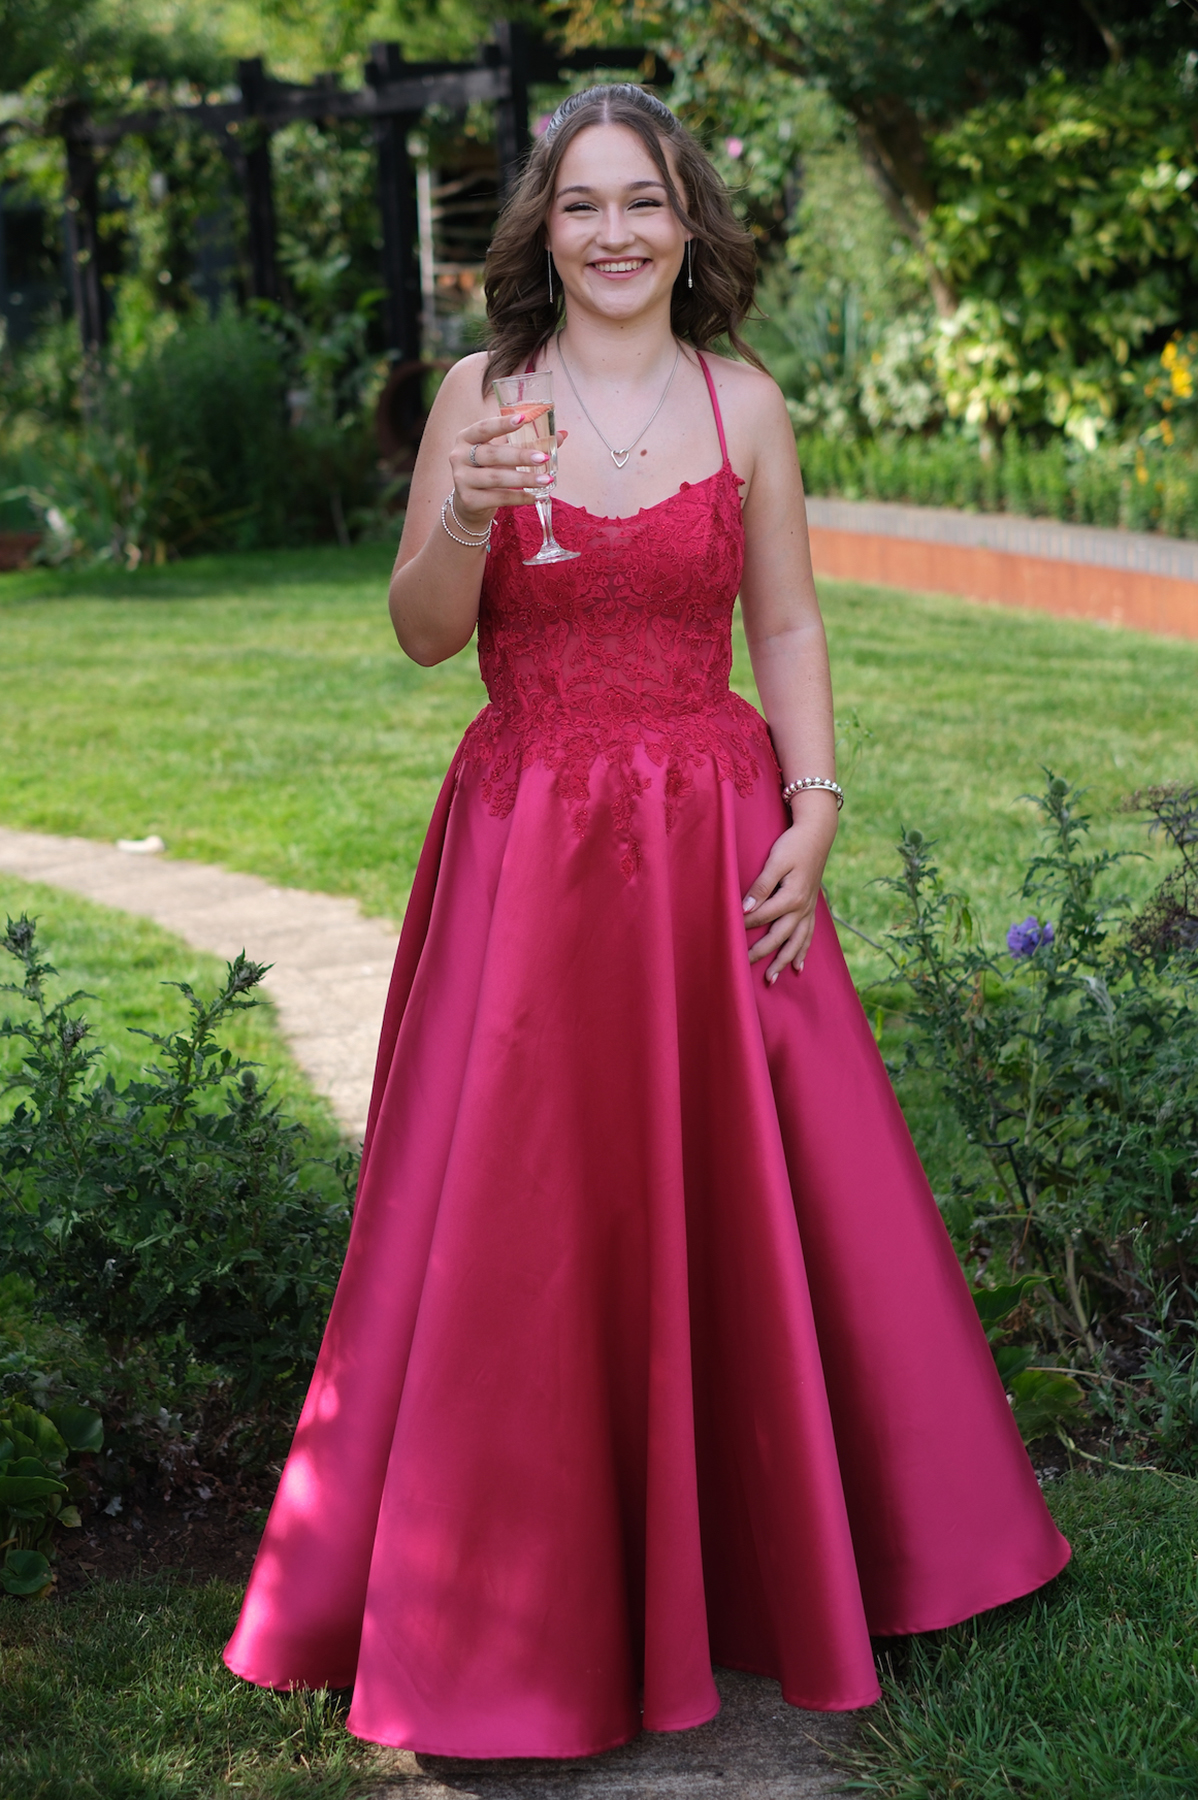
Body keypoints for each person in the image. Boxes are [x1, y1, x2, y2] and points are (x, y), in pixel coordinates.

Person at [224, 83, 1069, 1758]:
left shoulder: (743, 405)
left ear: (690, 228)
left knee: (766, 1185)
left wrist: (814, 810)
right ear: (541, 226)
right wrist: (460, 506)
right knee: (523, 1204)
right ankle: (499, 1590)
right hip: (528, 843)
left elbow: (792, 627)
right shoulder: (485, 392)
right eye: (585, 203)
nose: (615, 232)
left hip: (715, 837)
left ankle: (834, 1549)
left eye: (647, 202)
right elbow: (418, 633)